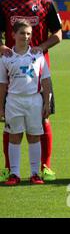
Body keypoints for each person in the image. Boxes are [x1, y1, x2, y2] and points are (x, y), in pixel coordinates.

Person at [0, 0, 62, 182]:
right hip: (11, 70)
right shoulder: (5, 4)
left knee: (43, 119)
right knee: (9, 119)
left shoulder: (45, 4)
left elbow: (59, 34)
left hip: (39, 73)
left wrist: (42, 46)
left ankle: (44, 167)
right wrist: (1, 48)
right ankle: (10, 169)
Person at [0, 20, 51, 185]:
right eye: (22, 33)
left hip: (34, 100)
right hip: (13, 101)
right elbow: (2, 84)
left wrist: (47, 102)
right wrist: (0, 107)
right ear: (13, 35)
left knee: (34, 137)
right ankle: (14, 174)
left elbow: (46, 81)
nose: (26, 37)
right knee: (14, 136)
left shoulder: (37, 55)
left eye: (29, 33)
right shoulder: (6, 57)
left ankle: (35, 173)